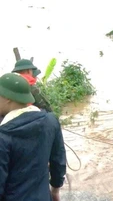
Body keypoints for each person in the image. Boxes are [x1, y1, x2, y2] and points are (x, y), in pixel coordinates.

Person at [0, 73, 66, 201]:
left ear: (7, 98)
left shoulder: (4, 135)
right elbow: (58, 161)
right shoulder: (51, 121)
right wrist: (55, 190)